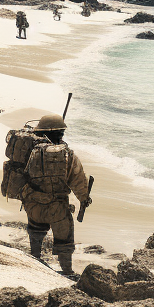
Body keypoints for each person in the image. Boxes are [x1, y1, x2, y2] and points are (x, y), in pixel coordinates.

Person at [20, 112, 91, 277]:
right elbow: (78, 180)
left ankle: (35, 258)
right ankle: (67, 271)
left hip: (33, 204)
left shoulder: (28, 150)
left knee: (36, 232)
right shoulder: (67, 155)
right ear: (60, 133)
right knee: (64, 240)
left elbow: (18, 174)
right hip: (57, 208)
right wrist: (84, 198)